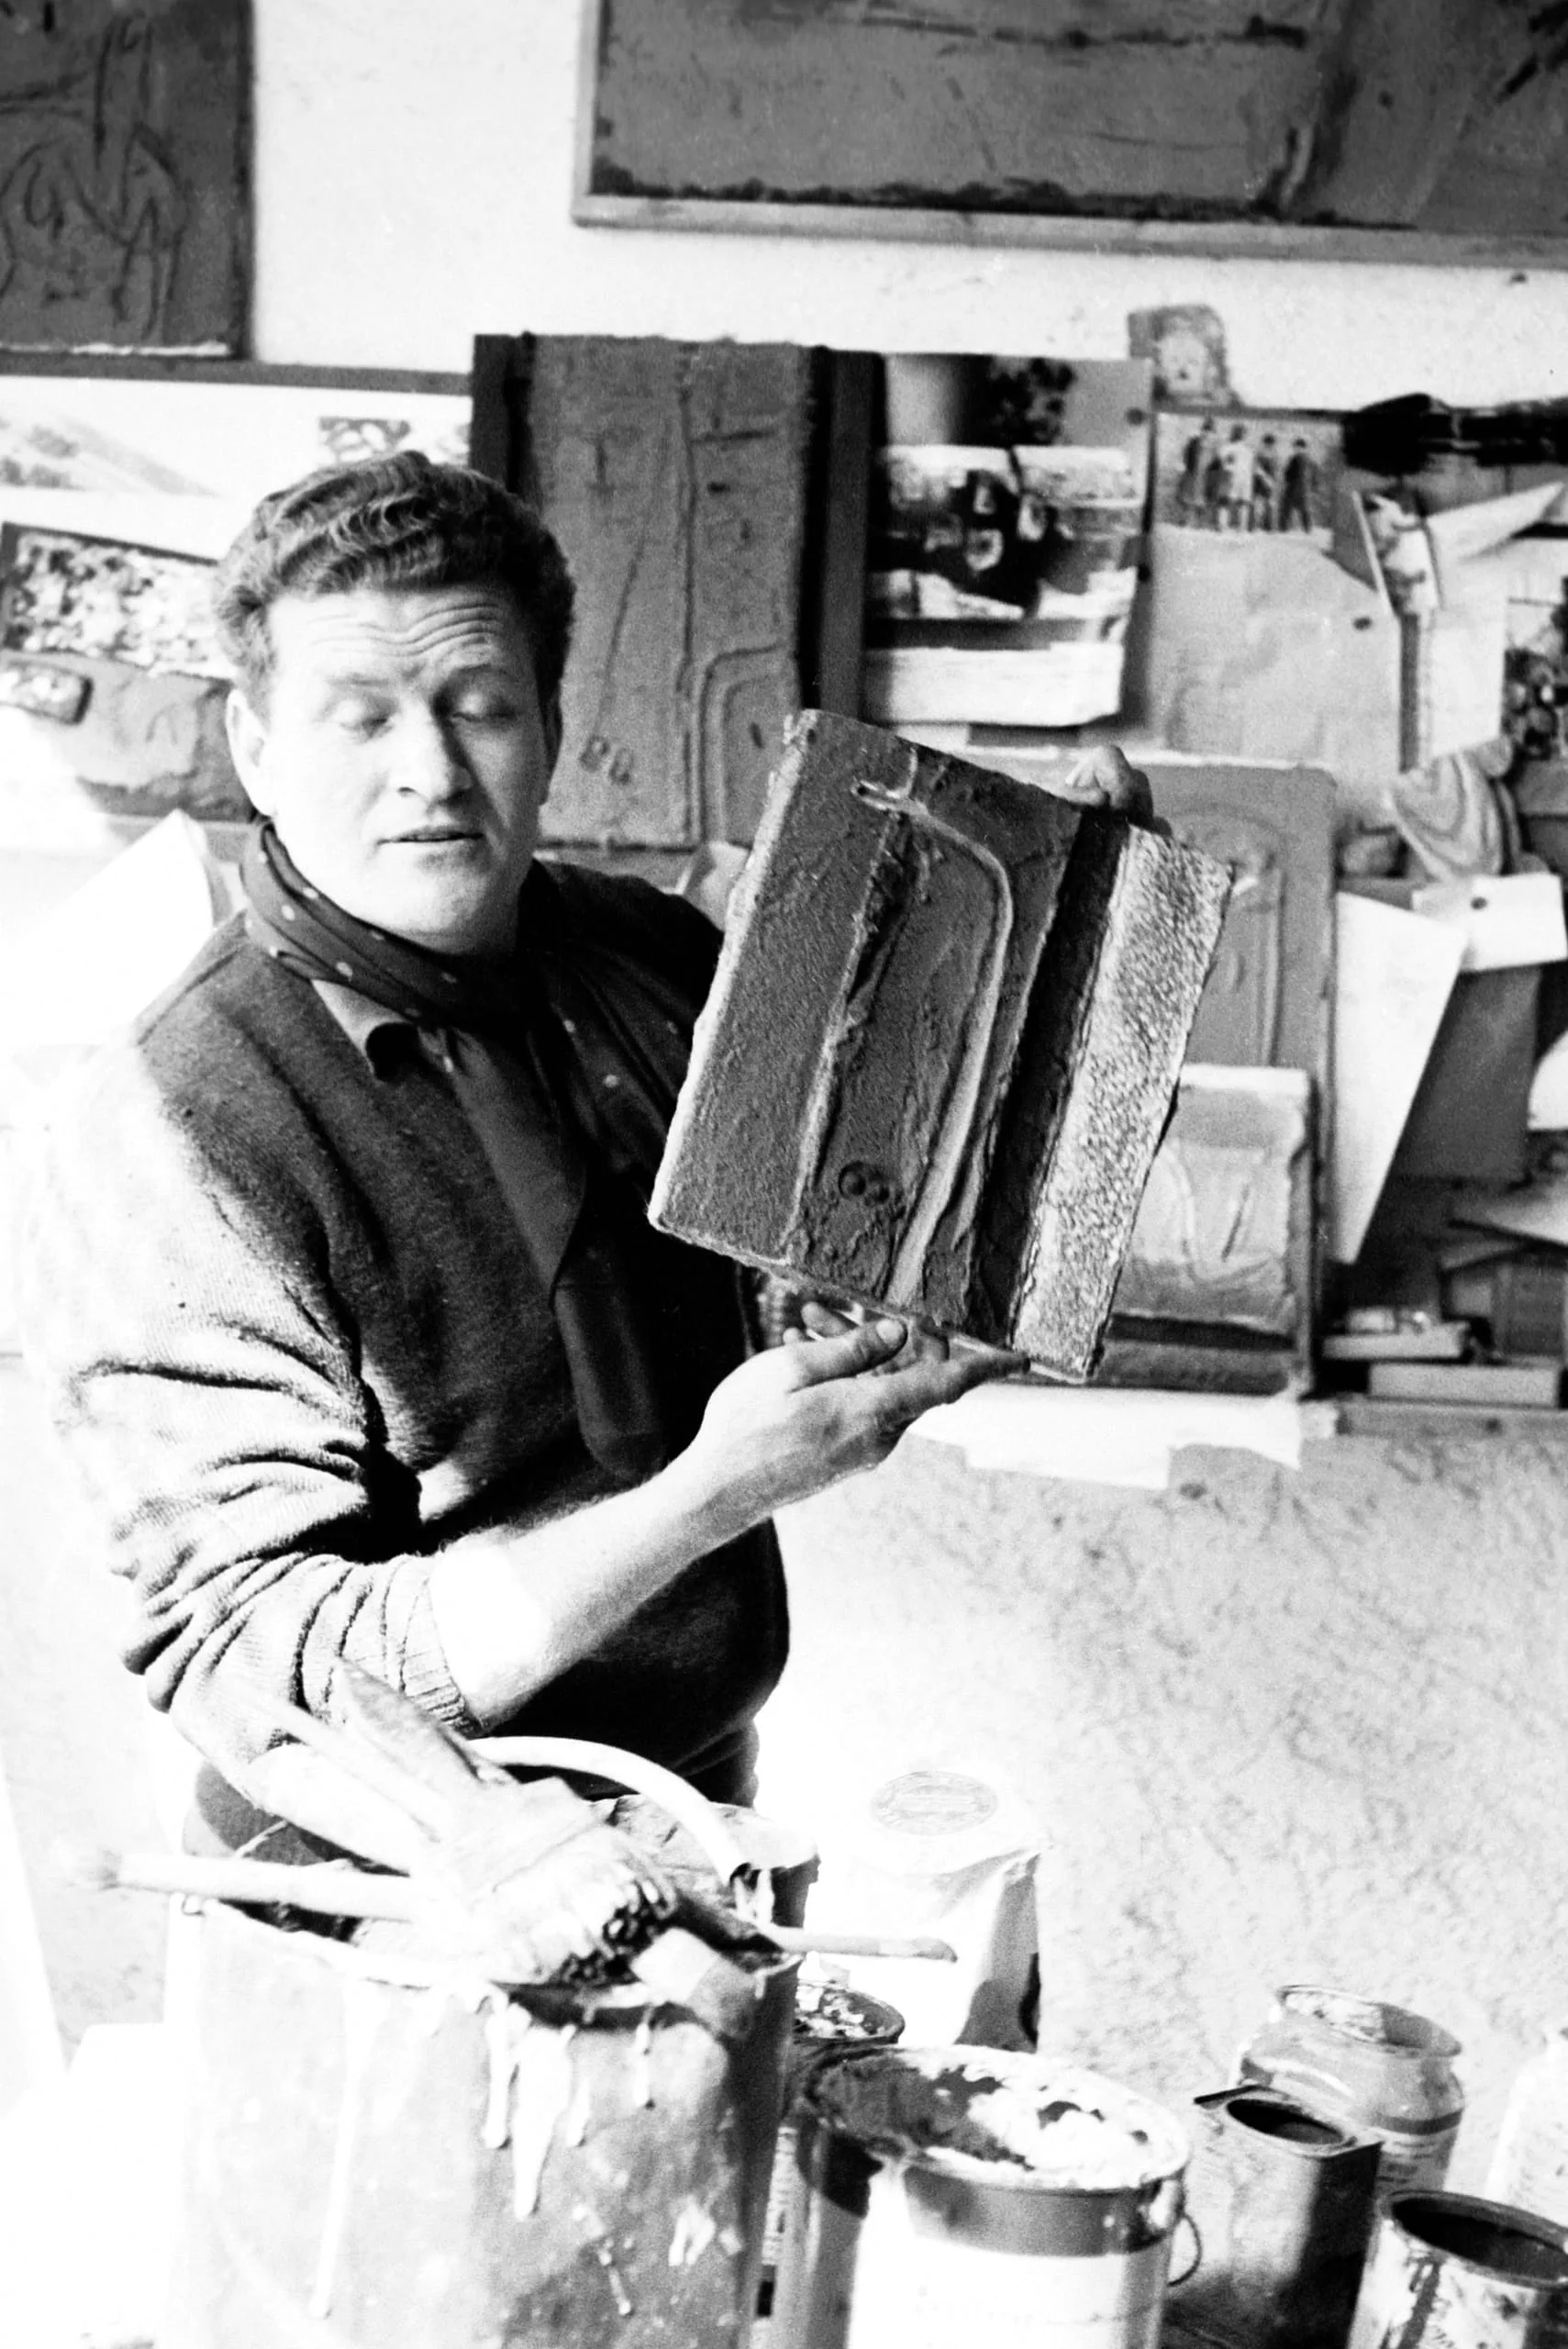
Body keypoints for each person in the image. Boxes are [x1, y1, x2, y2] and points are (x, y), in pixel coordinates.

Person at [24, 454, 1151, 1860]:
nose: (431, 771)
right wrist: (716, 1492)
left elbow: (885, 1192)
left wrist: (1066, 945)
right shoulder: (171, 1131)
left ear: (552, 724)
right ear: (256, 746)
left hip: (698, 1809)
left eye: (480, 706)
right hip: (381, 1887)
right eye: (360, 717)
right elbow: (269, 1676)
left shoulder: (645, 956)